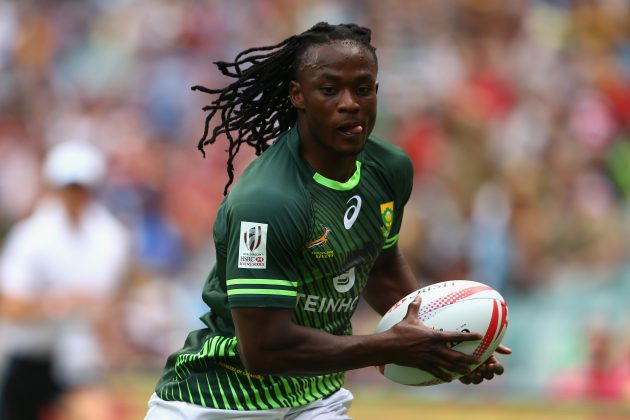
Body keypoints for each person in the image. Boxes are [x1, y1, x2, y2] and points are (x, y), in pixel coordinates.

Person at [145, 22, 511, 419]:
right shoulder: (267, 201)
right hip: (219, 399)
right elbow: (264, 349)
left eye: (363, 88)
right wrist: (393, 346)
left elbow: (381, 271)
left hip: (315, 398)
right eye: (330, 89)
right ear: (298, 95)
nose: (350, 103)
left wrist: (445, 342)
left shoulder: (389, 169)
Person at [0, 140, 131, 420]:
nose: (75, 196)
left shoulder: (111, 238)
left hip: (78, 357)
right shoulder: (30, 237)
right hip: (30, 357)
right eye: (69, 187)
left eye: (81, 187)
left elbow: (110, 305)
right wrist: (59, 303)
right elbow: (10, 305)